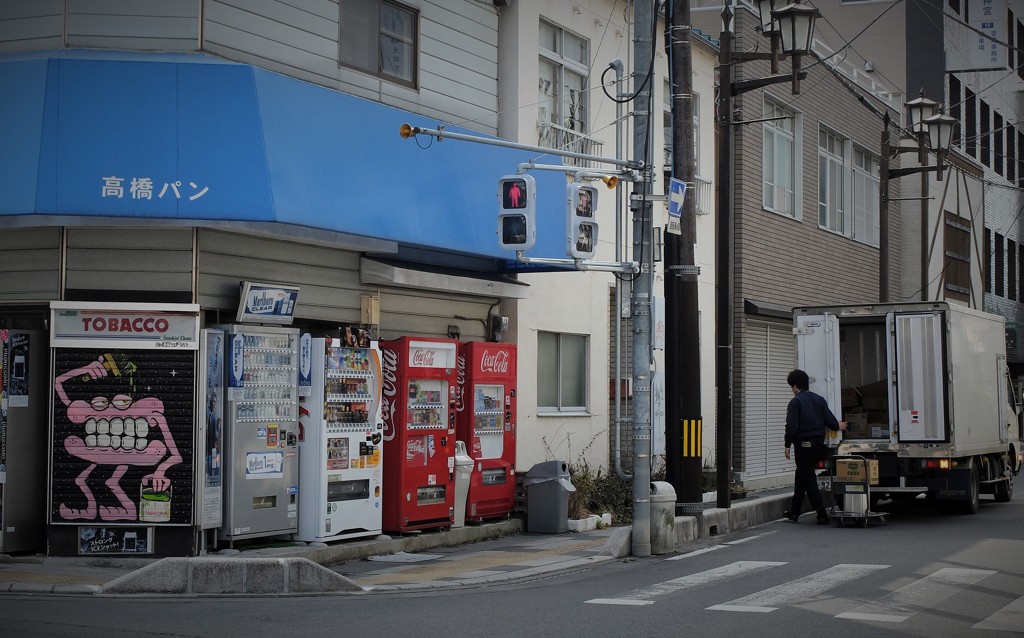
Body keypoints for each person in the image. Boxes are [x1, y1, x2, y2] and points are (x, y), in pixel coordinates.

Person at [783, 369, 847, 524]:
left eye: (792, 387)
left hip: (803, 445)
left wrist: (787, 445)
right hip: (818, 445)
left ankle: (821, 514)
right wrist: (839, 425)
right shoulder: (819, 399)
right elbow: (831, 422)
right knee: (801, 476)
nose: (792, 390)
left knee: (809, 478)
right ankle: (794, 511)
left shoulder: (796, 402)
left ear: (796, 386)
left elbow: (791, 427)